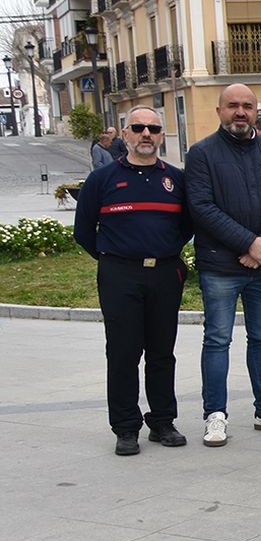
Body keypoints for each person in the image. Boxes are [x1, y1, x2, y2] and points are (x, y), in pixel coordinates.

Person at [185, 83, 261, 445]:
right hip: (221, 266)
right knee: (218, 340)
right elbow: (202, 207)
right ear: (219, 111)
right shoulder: (202, 154)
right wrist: (248, 242)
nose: (240, 112)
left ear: (256, 112)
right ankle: (215, 415)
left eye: (247, 106)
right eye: (233, 105)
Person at [72, 106, 192, 456]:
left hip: (165, 273)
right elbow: (83, 231)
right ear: (124, 134)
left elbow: (186, 227)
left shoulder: (174, 179)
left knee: (161, 352)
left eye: (153, 129)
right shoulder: (103, 179)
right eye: (138, 128)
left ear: (160, 135)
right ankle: (126, 428)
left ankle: (163, 421)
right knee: (123, 353)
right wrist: (114, 258)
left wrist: (164, 253)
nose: (146, 134)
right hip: (119, 274)